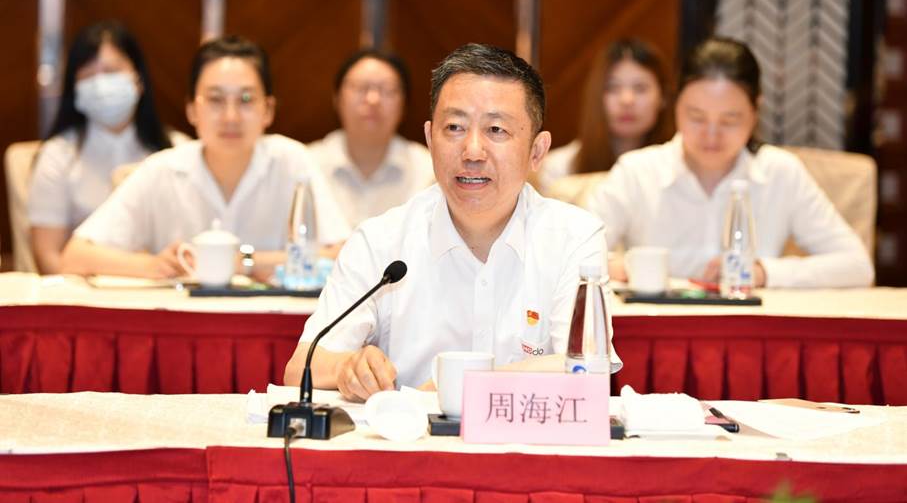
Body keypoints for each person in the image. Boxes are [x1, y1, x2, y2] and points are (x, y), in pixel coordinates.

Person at [284, 43, 621, 401]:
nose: (472, 151)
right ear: (430, 139)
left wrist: (455, 385)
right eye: (455, 127)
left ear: (536, 151)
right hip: (409, 437)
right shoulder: (380, 240)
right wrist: (347, 368)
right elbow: (300, 367)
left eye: (496, 130)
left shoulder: (575, 238)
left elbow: (587, 367)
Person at [586, 37, 874, 288]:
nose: (711, 135)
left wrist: (764, 272)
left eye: (729, 120)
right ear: (675, 104)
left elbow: (857, 265)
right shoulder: (637, 172)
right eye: (696, 117)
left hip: (750, 330)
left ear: (755, 110)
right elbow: (572, 252)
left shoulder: (780, 173)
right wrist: (609, 265)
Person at [60, 35, 349, 279]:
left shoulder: (292, 161)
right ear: (191, 110)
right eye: (215, 99)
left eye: (246, 99)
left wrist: (246, 263)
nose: (231, 117)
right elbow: (75, 256)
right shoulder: (162, 169)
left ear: (268, 110)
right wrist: (153, 266)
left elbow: (343, 256)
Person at [27, 21, 187, 274]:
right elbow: (48, 257)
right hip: (81, 290)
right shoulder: (57, 156)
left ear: (138, 79)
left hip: (164, 287)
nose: (101, 85)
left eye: (111, 71)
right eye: (88, 75)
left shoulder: (178, 151)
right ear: (74, 88)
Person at [307, 49, 434, 227]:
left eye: (388, 90)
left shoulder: (430, 170)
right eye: (360, 88)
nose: (373, 99)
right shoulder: (307, 164)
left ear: (404, 105)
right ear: (337, 98)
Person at [536, 38, 673, 194]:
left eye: (640, 88)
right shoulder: (560, 169)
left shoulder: (678, 168)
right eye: (613, 88)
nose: (627, 100)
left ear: (664, 97)